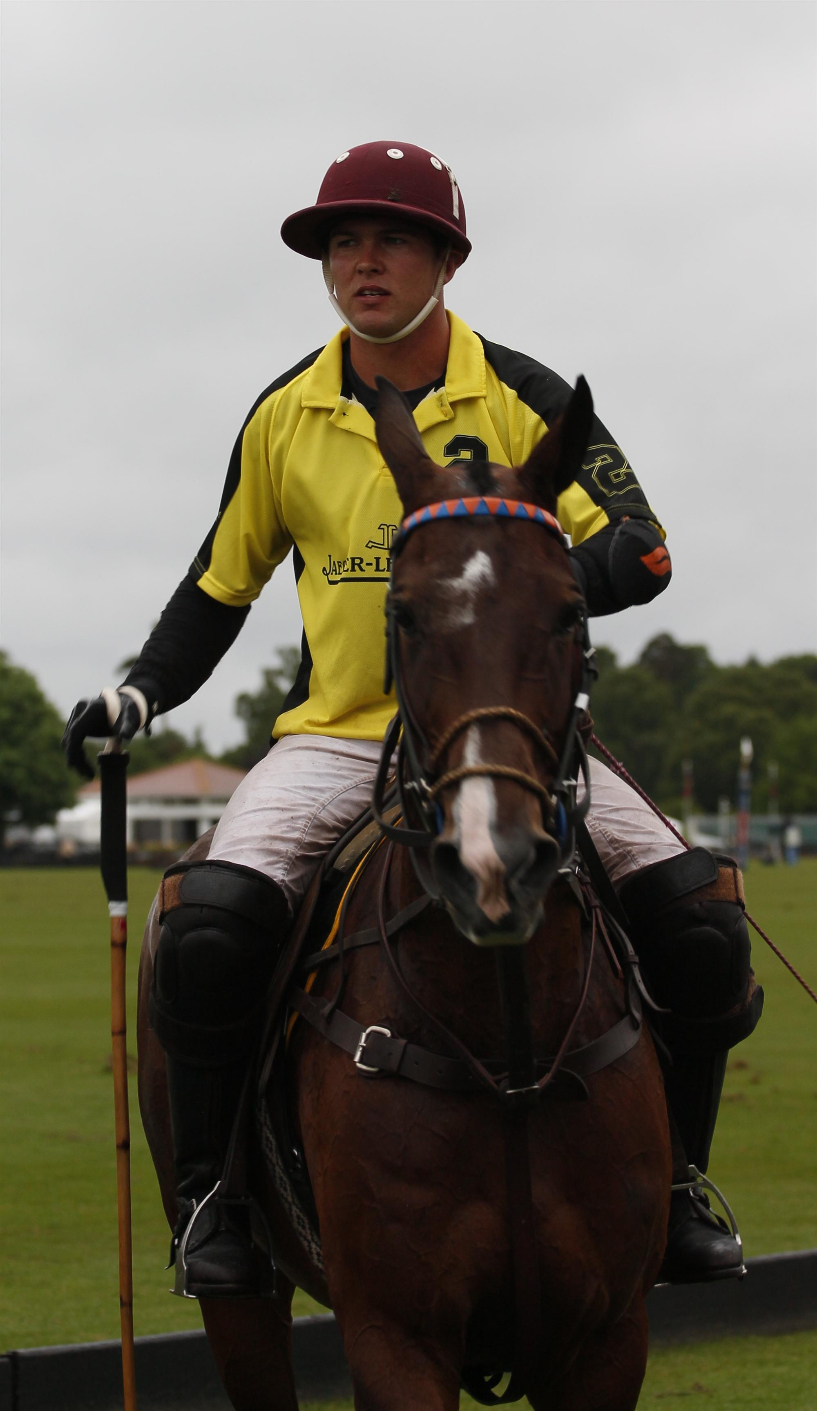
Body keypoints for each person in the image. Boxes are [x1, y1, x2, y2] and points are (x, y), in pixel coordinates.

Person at [64, 141, 761, 1299]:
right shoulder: (287, 412)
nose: (361, 262)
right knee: (206, 927)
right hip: (339, 737)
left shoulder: (527, 394)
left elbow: (643, 548)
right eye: (341, 242)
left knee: (697, 917)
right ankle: (214, 1205)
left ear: (447, 256)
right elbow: (217, 586)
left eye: (390, 238)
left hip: (516, 738)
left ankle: (679, 1184)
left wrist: (507, 583)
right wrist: (143, 689)